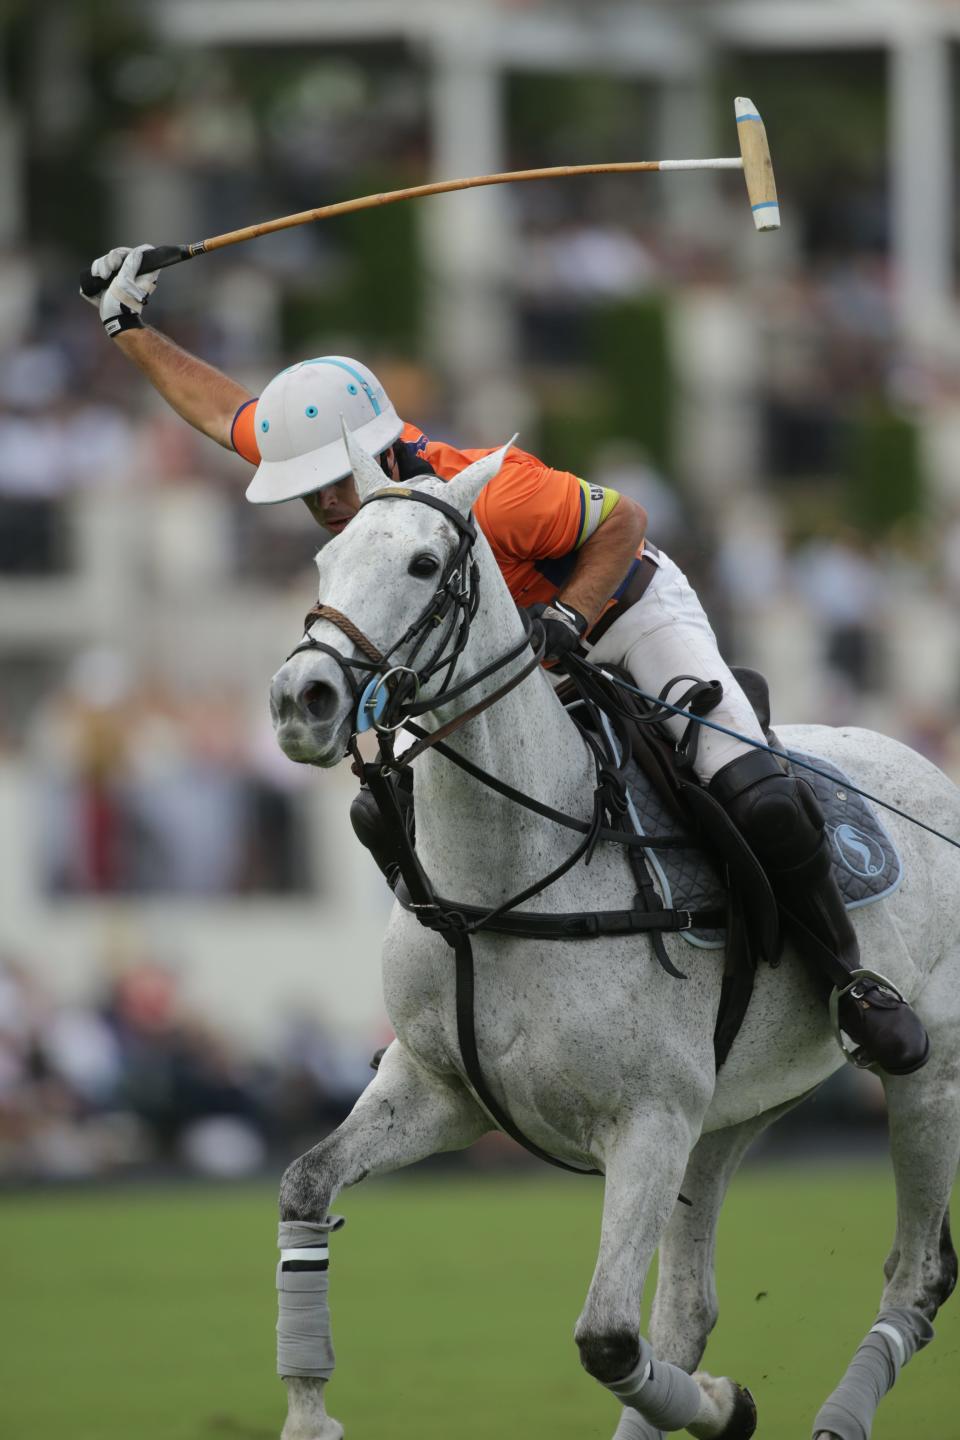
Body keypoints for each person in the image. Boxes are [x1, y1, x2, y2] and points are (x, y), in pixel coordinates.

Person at [80, 244, 929, 1077]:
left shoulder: (500, 488)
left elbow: (624, 521)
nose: (324, 507)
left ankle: (851, 984)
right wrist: (125, 325)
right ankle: (448, 1000)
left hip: (625, 612)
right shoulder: (343, 474)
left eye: (332, 486)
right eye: (309, 493)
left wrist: (569, 615)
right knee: (388, 811)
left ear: (376, 452)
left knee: (758, 794)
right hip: (515, 656)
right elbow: (221, 412)